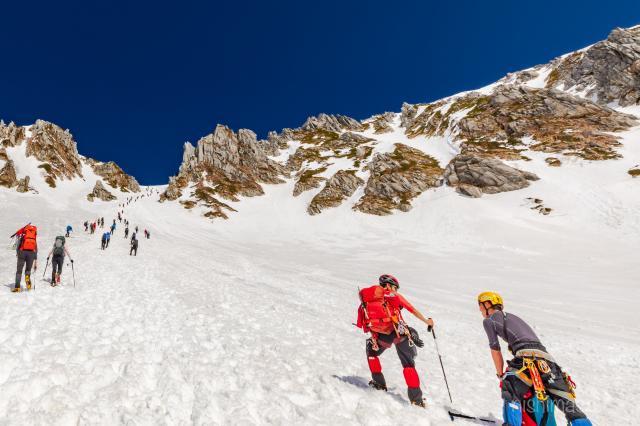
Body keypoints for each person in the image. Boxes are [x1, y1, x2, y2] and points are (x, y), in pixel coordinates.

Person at [478, 292, 592, 426]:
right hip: (549, 363)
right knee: (568, 405)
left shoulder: (489, 320)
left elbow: (495, 349)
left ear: (487, 304)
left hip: (525, 359)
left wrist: (500, 374)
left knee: (511, 389)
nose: (480, 310)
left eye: (480, 306)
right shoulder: (514, 318)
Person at [356, 274, 433, 407]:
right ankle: (416, 400)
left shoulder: (368, 299)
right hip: (399, 333)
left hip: (381, 336)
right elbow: (412, 309)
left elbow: (363, 320)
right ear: (389, 285)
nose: (395, 290)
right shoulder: (392, 295)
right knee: (408, 365)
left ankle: (379, 383)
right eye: (395, 287)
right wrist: (428, 321)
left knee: (371, 353)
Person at [12, 224, 38, 292]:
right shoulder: (34, 238)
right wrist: (35, 260)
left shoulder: (22, 236)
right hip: (31, 254)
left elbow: (18, 245)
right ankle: (27, 278)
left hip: (22, 253)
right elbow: (36, 248)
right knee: (28, 270)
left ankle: (17, 287)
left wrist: (18, 253)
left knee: (19, 271)